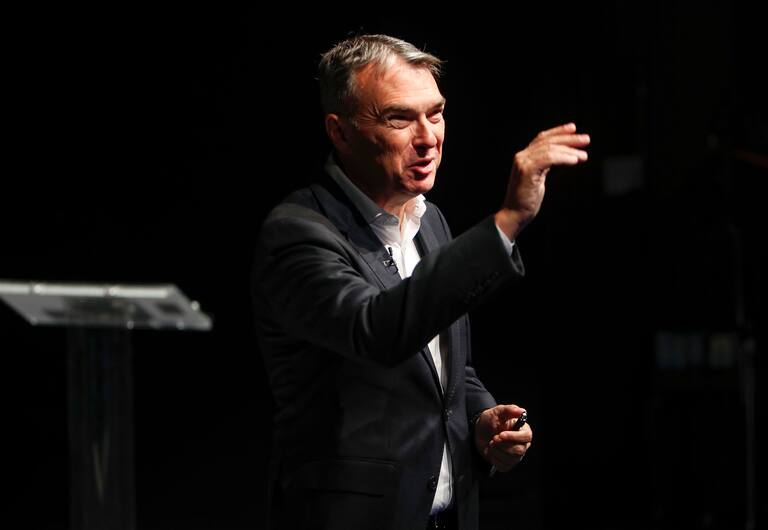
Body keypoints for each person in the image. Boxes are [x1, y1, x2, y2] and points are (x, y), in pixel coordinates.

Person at [251, 34, 590, 530]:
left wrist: (481, 420)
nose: (428, 137)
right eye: (399, 118)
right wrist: (508, 220)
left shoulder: (429, 221)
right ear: (340, 132)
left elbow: (448, 367)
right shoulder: (298, 234)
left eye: (436, 113)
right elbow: (378, 331)